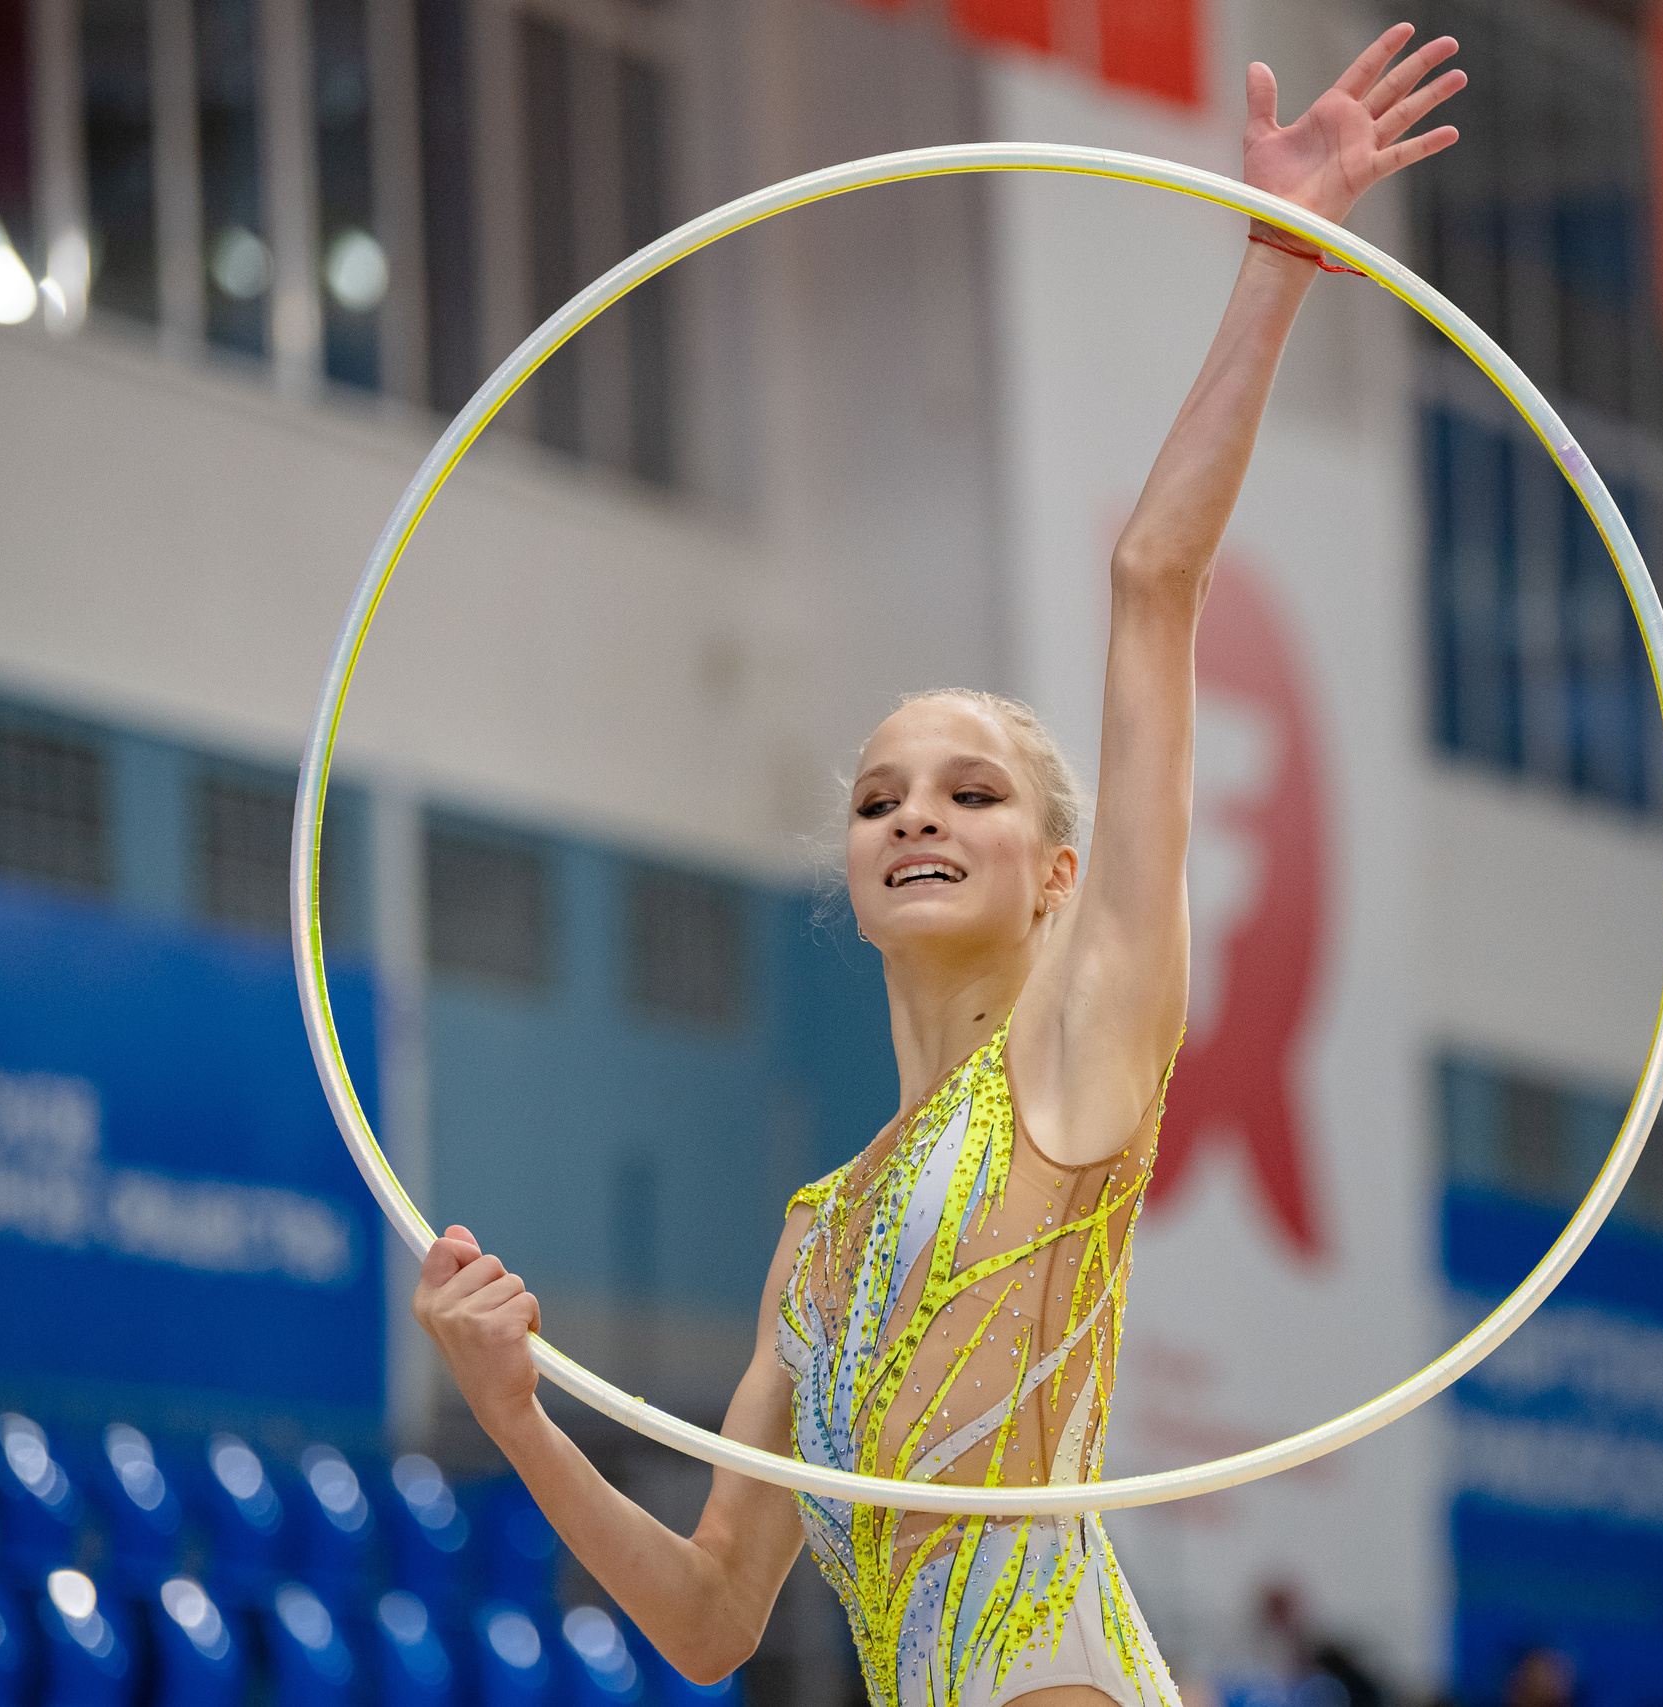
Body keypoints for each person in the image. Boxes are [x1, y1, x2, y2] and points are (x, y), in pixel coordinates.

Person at [408, 24, 1464, 1707]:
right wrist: (517, 1414)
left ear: (1058, 876)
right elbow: (706, 1621)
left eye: (970, 793)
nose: (912, 815)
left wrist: (1282, 253)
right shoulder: (816, 1243)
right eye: (882, 796)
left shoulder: (1082, 1052)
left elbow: (1151, 582)